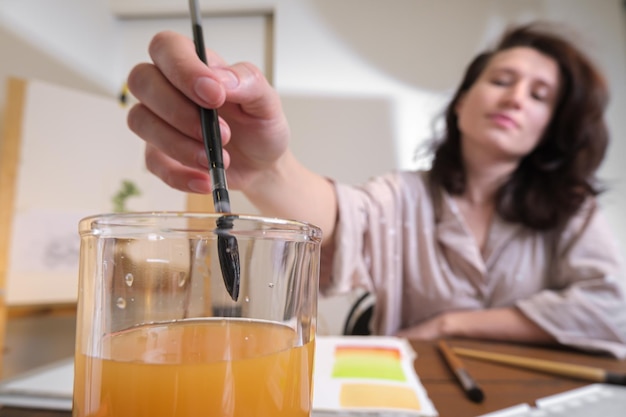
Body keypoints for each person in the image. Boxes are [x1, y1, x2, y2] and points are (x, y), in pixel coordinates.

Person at [126, 21, 626, 358]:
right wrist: (263, 169)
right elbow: (340, 218)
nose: (517, 98)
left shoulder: (572, 211)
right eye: (502, 80)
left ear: (549, 127)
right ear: (461, 102)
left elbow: (612, 309)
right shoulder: (404, 196)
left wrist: (450, 325)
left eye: (539, 95)